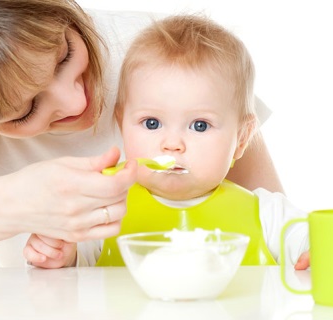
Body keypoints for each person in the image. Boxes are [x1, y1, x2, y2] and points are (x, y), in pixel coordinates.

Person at [0, 0, 285, 268]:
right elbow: (83, 260)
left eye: (65, 56)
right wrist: (17, 201)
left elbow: (271, 226)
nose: (77, 102)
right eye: (26, 110)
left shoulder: (160, 54)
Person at [25, 14, 310, 269]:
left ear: (242, 138)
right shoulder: (107, 211)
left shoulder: (266, 213)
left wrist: (317, 250)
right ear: (122, 125)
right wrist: (61, 254)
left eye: (200, 125)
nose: (172, 144)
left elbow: (310, 240)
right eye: (152, 123)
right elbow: (75, 272)